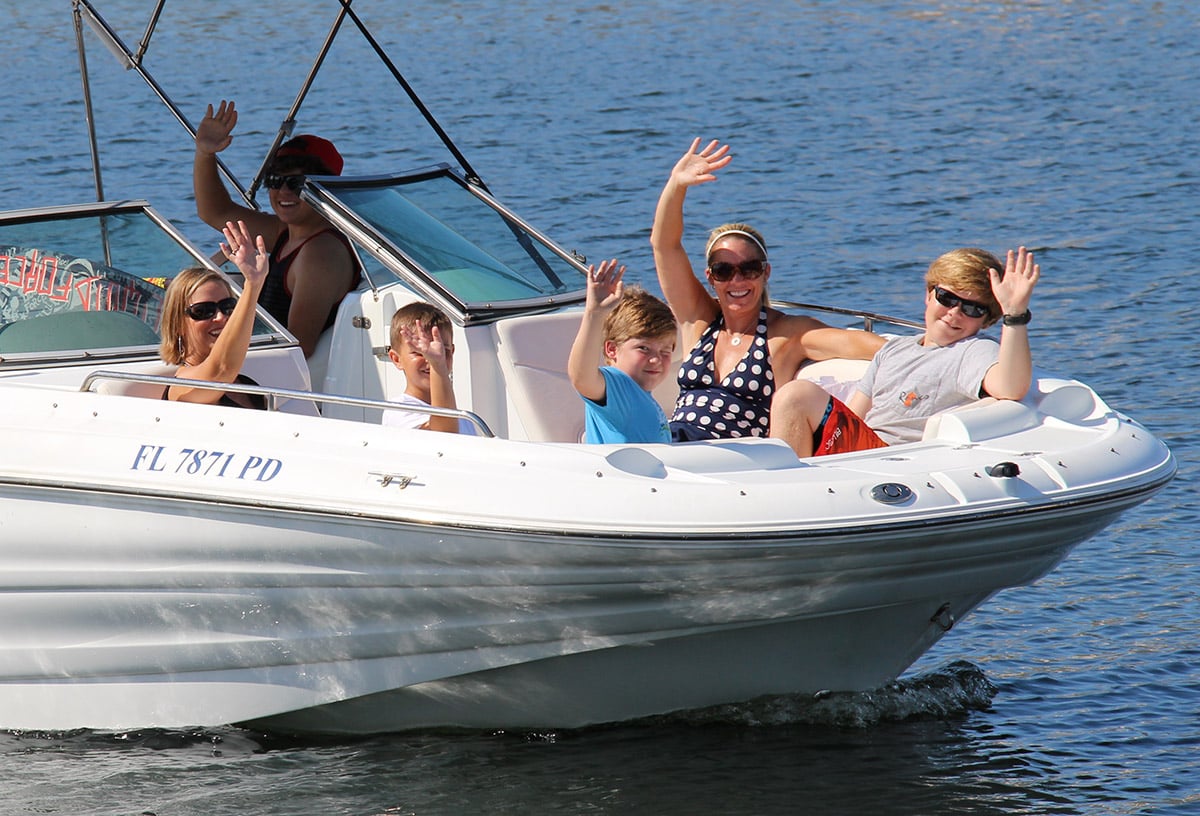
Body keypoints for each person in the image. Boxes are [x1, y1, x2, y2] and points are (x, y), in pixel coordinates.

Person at [650, 138, 884, 442]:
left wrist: (932, 345)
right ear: (710, 277)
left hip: (733, 458)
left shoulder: (786, 334)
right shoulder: (699, 321)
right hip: (675, 442)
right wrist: (676, 185)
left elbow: (864, 345)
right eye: (724, 271)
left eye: (749, 269)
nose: (738, 281)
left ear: (765, 273)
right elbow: (663, 245)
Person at [769, 246, 1041, 457]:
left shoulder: (974, 351)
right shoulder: (894, 350)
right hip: (857, 452)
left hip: (893, 460)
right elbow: (854, 415)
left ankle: (784, 489)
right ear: (928, 295)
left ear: (987, 319)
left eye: (972, 309)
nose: (954, 313)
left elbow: (1011, 388)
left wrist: (1015, 314)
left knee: (797, 394)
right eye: (947, 298)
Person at [193, 100, 361, 358]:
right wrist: (205, 153)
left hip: (275, 375)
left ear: (325, 187)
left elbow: (297, 347)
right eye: (275, 180)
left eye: (296, 183)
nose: (283, 191)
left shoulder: (320, 253)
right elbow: (215, 212)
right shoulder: (288, 231)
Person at [159, 221, 269, 409]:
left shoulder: (244, 383)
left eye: (227, 307)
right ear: (177, 324)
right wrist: (253, 284)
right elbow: (221, 370)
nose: (220, 317)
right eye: (203, 311)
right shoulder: (182, 388)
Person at [567, 259, 678, 444]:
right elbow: (581, 378)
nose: (656, 360)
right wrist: (594, 314)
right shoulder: (618, 388)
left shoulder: (643, 394)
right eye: (644, 348)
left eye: (665, 351)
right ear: (612, 350)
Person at [383, 302, 474, 434]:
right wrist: (438, 365)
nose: (430, 360)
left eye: (443, 351)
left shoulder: (465, 419)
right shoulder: (398, 411)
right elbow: (444, 433)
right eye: (419, 353)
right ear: (397, 359)